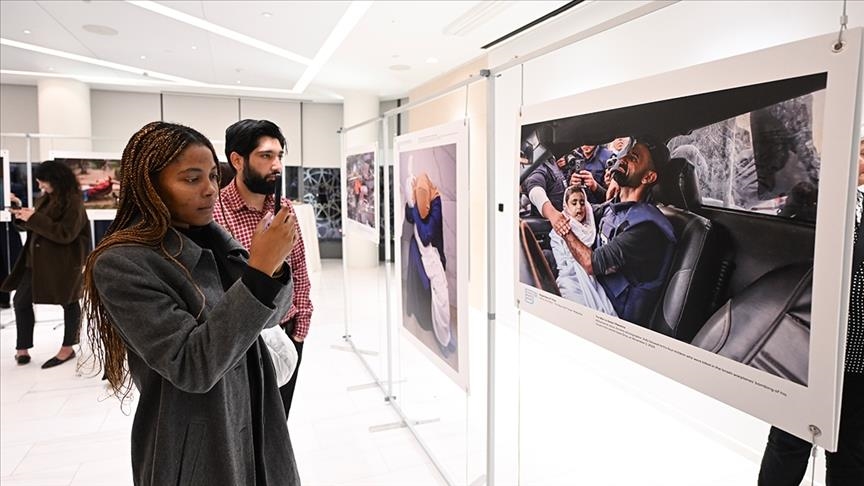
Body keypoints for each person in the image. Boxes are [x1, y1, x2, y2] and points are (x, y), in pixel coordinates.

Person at [83, 121, 300, 485]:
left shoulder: (213, 240)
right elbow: (192, 366)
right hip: (195, 439)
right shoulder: (123, 263)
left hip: (254, 415)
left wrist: (271, 269)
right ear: (149, 186)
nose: (210, 190)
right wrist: (260, 272)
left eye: (214, 177)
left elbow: (273, 315)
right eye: (191, 178)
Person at [756, 138, 864, 486]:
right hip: (809, 351)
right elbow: (786, 237)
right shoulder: (816, 196)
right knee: (787, 443)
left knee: (851, 454)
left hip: (858, 361)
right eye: (861, 150)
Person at [213, 119, 313, 419]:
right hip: (240, 341)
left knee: (278, 424)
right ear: (237, 160)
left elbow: (299, 268)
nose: (277, 165)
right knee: (244, 429)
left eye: (280, 156)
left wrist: (300, 331)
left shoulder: (283, 209)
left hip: (287, 332)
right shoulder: (214, 212)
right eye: (266, 156)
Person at [555, 139, 676, 325]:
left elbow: (590, 263)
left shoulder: (646, 227)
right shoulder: (616, 207)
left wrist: (562, 227)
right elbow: (586, 213)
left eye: (633, 158)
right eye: (626, 153)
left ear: (648, 177)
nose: (623, 159)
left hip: (613, 314)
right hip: (598, 288)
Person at [3, 161, 91, 368]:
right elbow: (37, 226)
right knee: (21, 302)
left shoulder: (74, 202)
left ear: (56, 179)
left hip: (62, 263)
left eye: (43, 181)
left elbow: (65, 234)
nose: (40, 185)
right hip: (35, 262)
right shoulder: (46, 198)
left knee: (69, 302)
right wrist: (21, 214)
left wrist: (34, 218)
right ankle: (22, 348)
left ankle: (68, 347)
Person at [549, 185, 617, 315]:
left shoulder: (591, 227)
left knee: (604, 311)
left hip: (592, 276)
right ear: (566, 207)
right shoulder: (559, 231)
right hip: (570, 277)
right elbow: (563, 264)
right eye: (573, 203)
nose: (579, 207)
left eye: (582, 202)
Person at [403, 172, 451, 348]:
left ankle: (437, 330)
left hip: (430, 251)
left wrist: (414, 206)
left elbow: (426, 234)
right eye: (418, 195)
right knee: (417, 287)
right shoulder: (418, 195)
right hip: (418, 251)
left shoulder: (436, 202)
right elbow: (410, 218)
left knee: (436, 291)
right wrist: (410, 201)